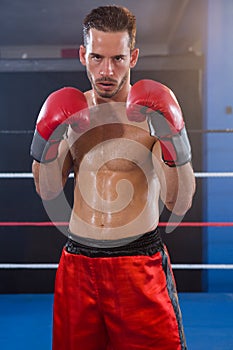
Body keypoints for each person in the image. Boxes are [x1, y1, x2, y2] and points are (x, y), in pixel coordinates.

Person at [30, 5, 195, 350]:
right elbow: (48, 190)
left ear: (133, 56)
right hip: (77, 264)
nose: (107, 70)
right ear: (82, 55)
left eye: (118, 59)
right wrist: (45, 140)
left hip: (137, 265)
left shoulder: (151, 112)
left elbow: (177, 201)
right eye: (97, 57)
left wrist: (173, 140)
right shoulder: (71, 110)